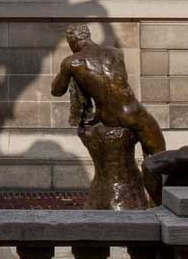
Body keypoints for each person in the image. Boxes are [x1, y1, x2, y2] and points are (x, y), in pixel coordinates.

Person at [50, 27, 166, 210]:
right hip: (135, 112)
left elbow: (56, 90)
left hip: (110, 117)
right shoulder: (115, 52)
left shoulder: (72, 62)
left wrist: (70, 75)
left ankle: (156, 203)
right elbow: (115, 88)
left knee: (158, 160)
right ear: (88, 36)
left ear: (72, 42)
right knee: (159, 157)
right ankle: (158, 203)